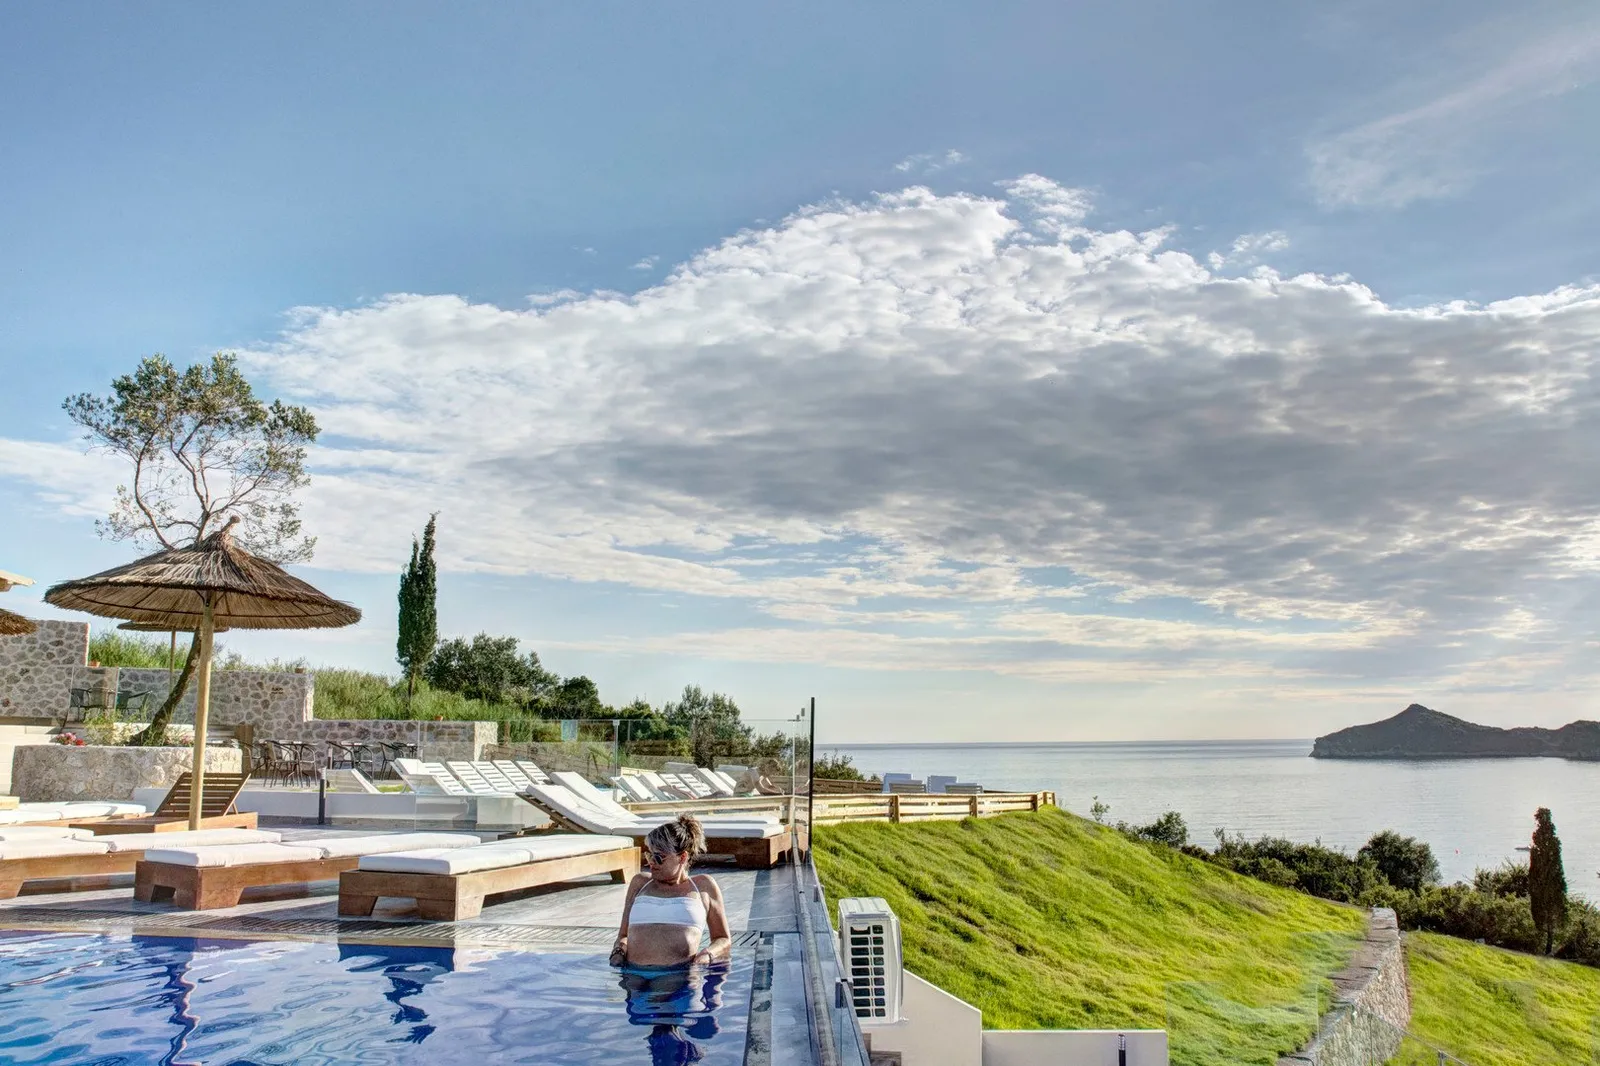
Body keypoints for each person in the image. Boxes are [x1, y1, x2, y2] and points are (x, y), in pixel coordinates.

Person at [611, 814, 732, 967]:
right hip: (633, 973)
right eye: (649, 855)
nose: (651, 863)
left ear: (682, 857)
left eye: (659, 857)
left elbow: (723, 939)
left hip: (680, 975)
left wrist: (707, 955)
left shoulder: (703, 886)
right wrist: (618, 952)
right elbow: (623, 935)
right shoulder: (640, 883)